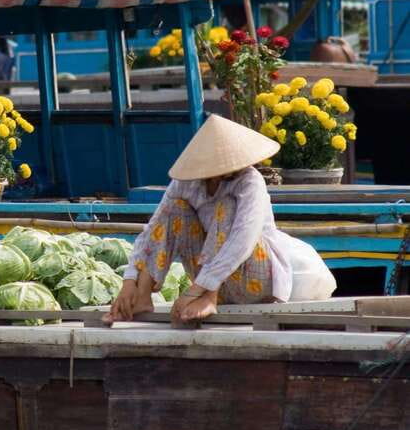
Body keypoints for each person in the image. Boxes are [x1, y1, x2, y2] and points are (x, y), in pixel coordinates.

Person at [105, 114, 337, 324]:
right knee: (175, 208)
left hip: (253, 279)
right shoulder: (187, 182)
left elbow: (243, 239)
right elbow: (153, 228)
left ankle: (211, 298)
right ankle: (143, 297)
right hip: (208, 278)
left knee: (225, 206)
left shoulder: (249, 181)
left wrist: (198, 289)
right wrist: (129, 282)